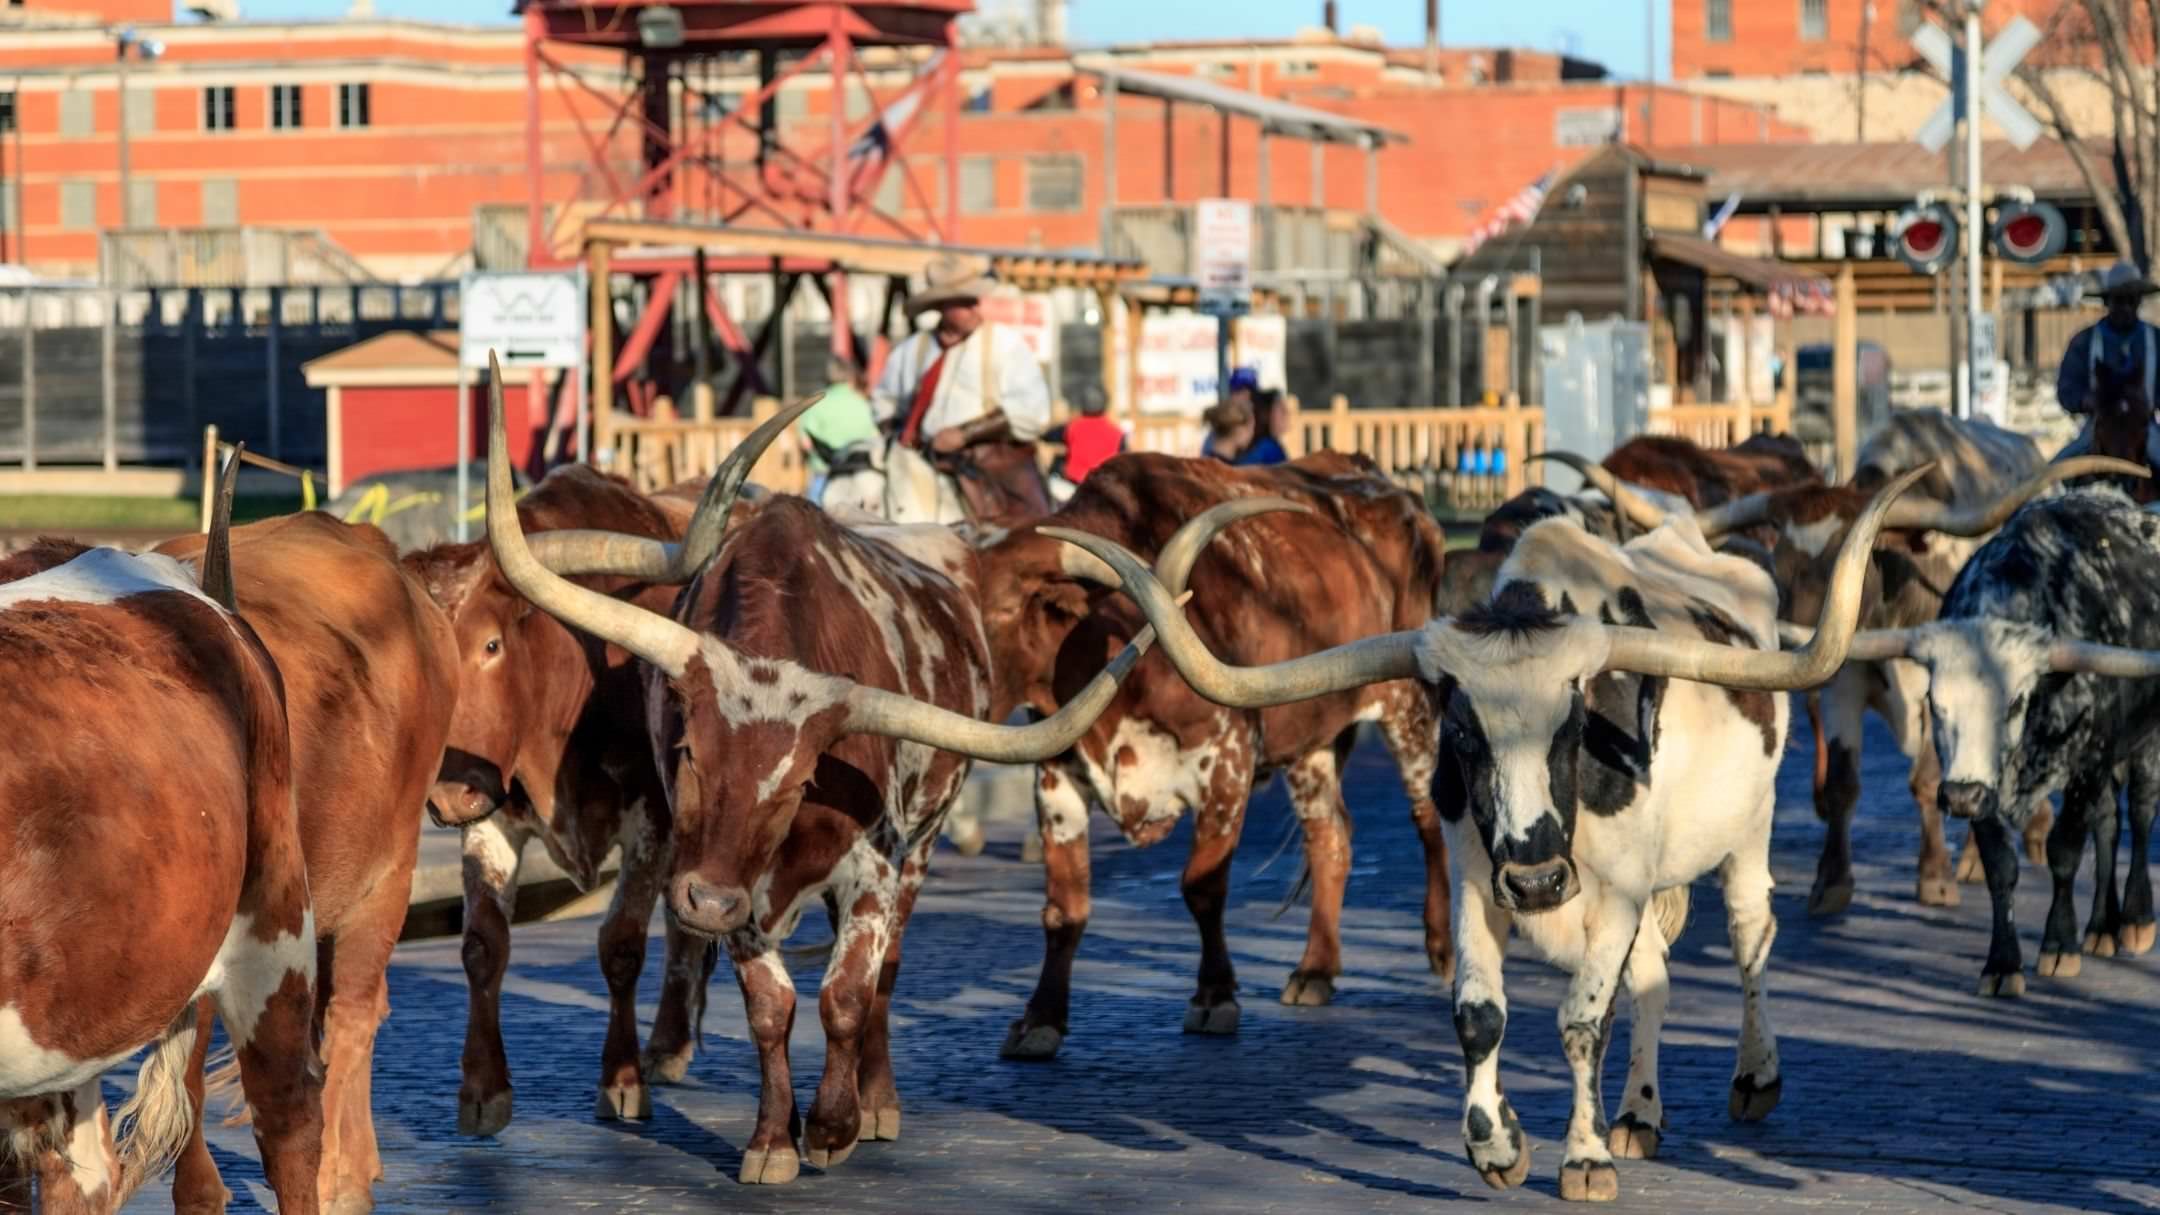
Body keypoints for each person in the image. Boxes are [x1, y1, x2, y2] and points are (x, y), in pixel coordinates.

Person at [871, 253, 1053, 526]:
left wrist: (964, 434)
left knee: (1032, 540)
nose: (974, 309)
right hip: (925, 463)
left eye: (974, 301)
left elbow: (1033, 413)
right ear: (942, 307)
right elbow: (883, 402)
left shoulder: (1005, 344)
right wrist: (900, 436)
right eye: (964, 303)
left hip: (993, 468)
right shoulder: (911, 351)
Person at [2056, 261, 2160, 467]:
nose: (2125, 307)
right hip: (2097, 427)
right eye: (2119, 300)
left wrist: (2147, 402)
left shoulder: (2156, 340)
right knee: (2056, 472)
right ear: (2107, 302)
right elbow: (2066, 390)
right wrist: (2086, 400)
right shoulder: (2083, 342)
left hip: (2145, 428)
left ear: (2139, 301)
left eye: (2131, 300)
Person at [797, 355, 879, 504]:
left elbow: (806, 444)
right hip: (862, 476)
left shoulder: (815, 404)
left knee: (816, 523)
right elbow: (875, 439)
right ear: (850, 377)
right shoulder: (862, 403)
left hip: (826, 477)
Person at [1045, 387, 1126, 486]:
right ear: (1105, 406)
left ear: (1082, 406)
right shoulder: (1117, 432)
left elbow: (1046, 437)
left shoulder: (1071, 427)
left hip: (1074, 483)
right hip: (1104, 484)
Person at [1238, 388, 1290, 466]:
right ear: (1265, 415)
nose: (1287, 414)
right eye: (1282, 410)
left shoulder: (1258, 447)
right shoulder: (1269, 450)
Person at [1200, 397, 1254, 463]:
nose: (1252, 433)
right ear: (1240, 431)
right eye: (1251, 428)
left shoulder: (1200, 465)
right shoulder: (1234, 470)